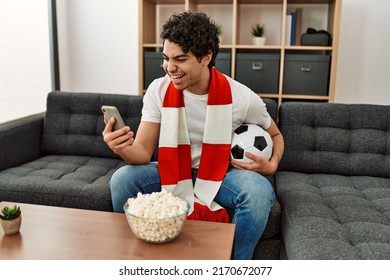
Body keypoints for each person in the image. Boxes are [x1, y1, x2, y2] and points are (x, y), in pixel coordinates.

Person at [102, 11, 284, 260]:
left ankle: (235, 266)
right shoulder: (158, 90)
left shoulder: (241, 97)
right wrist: (121, 147)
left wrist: (272, 164)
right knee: (122, 179)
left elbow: (275, 135)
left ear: (206, 57)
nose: (170, 68)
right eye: (166, 58)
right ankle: (135, 260)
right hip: (172, 169)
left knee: (259, 192)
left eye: (180, 59)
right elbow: (142, 152)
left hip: (221, 174)